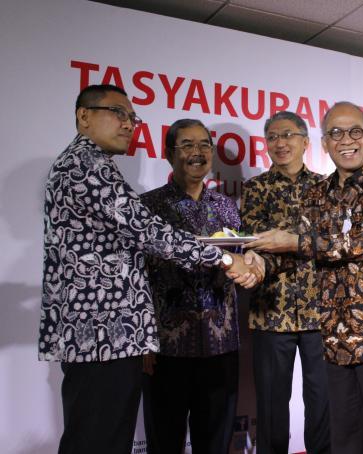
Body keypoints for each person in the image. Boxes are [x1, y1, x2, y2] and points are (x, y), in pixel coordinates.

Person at [38, 85, 260, 454]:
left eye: (132, 117)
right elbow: (149, 231)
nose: (128, 124)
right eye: (118, 113)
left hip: (114, 335)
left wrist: (248, 258)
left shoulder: (93, 165)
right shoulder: (86, 166)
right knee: (98, 440)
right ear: (83, 116)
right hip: (102, 335)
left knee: (103, 439)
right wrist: (223, 258)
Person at [246, 101, 363, 454]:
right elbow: (300, 254)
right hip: (336, 337)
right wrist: (258, 265)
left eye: (355, 131)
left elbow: (362, 243)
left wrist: (293, 240)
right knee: (345, 443)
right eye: (336, 133)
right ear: (324, 143)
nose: (346, 140)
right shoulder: (316, 194)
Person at [141, 119, 248, 453]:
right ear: (169, 153)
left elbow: (239, 262)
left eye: (204, 145)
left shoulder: (227, 206)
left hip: (220, 347)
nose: (197, 153)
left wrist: (251, 265)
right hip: (165, 349)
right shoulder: (148, 207)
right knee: (165, 441)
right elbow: (136, 276)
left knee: (215, 443)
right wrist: (143, 340)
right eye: (187, 144)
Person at [239, 111, 330, 454]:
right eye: (273, 137)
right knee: (272, 403)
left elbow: (331, 240)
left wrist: (288, 240)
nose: (280, 143)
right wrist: (303, 241)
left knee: (323, 402)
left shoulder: (325, 187)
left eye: (288, 135)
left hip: (320, 310)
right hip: (270, 309)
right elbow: (256, 241)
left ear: (305, 142)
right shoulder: (255, 188)